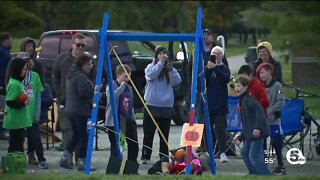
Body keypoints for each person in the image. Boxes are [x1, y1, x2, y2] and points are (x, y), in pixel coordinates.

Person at [52, 33, 90, 164]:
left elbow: (94, 77)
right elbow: (55, 77)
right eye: (78, 44)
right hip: (65, 101)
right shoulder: (62, 59)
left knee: (79, 132)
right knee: (68, 131)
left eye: (83, 45)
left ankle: (78, 158)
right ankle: (68, 159)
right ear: (72, 44)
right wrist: (60, 94)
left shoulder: (88, 60)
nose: (80, 47)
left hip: (81, 103)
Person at [140, 46, 182, 164]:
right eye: (160, 53)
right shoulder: (150, 67)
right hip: (151, 105)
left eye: (164, 54)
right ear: (156, 55)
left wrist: (171, 69)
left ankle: (163, 157)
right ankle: (145, 156)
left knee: (164, 135)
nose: (163, 55)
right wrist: (160, 63)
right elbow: (150, 75)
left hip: (166, 106)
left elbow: (177, 81)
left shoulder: (169, 70)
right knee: (148, 133)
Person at [59, 54, 95, 171]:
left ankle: (65, 156)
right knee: (84, 136)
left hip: (71, 109)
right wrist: (95, 89)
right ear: (82, 64)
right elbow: (84, 93)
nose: (91, 66)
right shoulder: (81, 77)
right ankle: (82, 161)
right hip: (80, 110)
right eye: (88, 64)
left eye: (91, 64)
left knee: (76, 135)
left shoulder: (71, 74)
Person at [16, 52, 48, 169]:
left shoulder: (34, 76)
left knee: (35, 138)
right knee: (17, 139)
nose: (26, 63)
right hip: (18, 113)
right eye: (23, 61)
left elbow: (38, 96)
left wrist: (37, 114)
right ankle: (17, 160)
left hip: (31, 114)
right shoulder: (14, 77)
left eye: (27, 61)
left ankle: (41, 159)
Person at [233, 75, 271, 175]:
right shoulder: (242, 101)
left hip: (257, 133)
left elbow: (260, 111)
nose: (236, 88)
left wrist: (257, 128)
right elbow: (247, 123)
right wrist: (241, 137)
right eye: (235, 86)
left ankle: (268, 176)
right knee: (244, 153)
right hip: (250, 134)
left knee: (254, 156)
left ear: (246, 87)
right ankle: (253, 174)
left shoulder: (249, 99)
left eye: (239, 86)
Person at [256, 63, 286, 175]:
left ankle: (280, 165)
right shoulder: (260, 86)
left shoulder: (278, 86)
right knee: (262, 142)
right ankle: (264, 163)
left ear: (269, 72)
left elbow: (281, 101)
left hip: (274, 120)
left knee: (277, 141)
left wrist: (271, 110)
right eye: (260, 74)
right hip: (263, 121)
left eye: (263, 72)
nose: (261, 75)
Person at [105, 64, 138, 163]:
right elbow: (111, 98)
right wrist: (121, 88)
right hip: (115, 121)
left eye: (129, 76)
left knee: (133, 143)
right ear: (118, 75)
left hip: (127, 120)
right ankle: (115, 167)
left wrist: (132, 118)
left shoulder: (129, 88)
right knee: (118, 145)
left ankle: (131, 165)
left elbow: (130, 104)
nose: (127, 79)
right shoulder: (112, 85)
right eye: (125, 76)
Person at [205, 46, 230, 163]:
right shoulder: (208, 68)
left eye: (218, 53)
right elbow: (203, 78)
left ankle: (223, 152)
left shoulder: (224, 68)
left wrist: (216, 68)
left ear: (222, 55)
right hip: (209, 104)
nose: (216, 55)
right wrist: (209, 68)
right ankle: (208, 151)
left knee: (220, 129)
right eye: (213, 53)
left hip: (220, 105)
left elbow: (225, 78)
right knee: (207, 128)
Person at [3, 58, 31, 153]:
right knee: (15, 144)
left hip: (19, 120)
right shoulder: (14, 84)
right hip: (15, 121)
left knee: (18, 142)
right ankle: (13, 163)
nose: (26, 71)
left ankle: (17, 162)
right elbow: (9, 101)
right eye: (24, 68)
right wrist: (23, 103)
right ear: (18, 69)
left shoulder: (18, 82)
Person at [0, 32, 12, 140]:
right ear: (4, 40)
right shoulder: (2, 52)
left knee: (4, 107)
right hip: (2, 84)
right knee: (3, 107)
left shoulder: (6, 51)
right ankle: (1, 130)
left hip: (6, 83)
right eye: (9, 39)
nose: (11, 41)